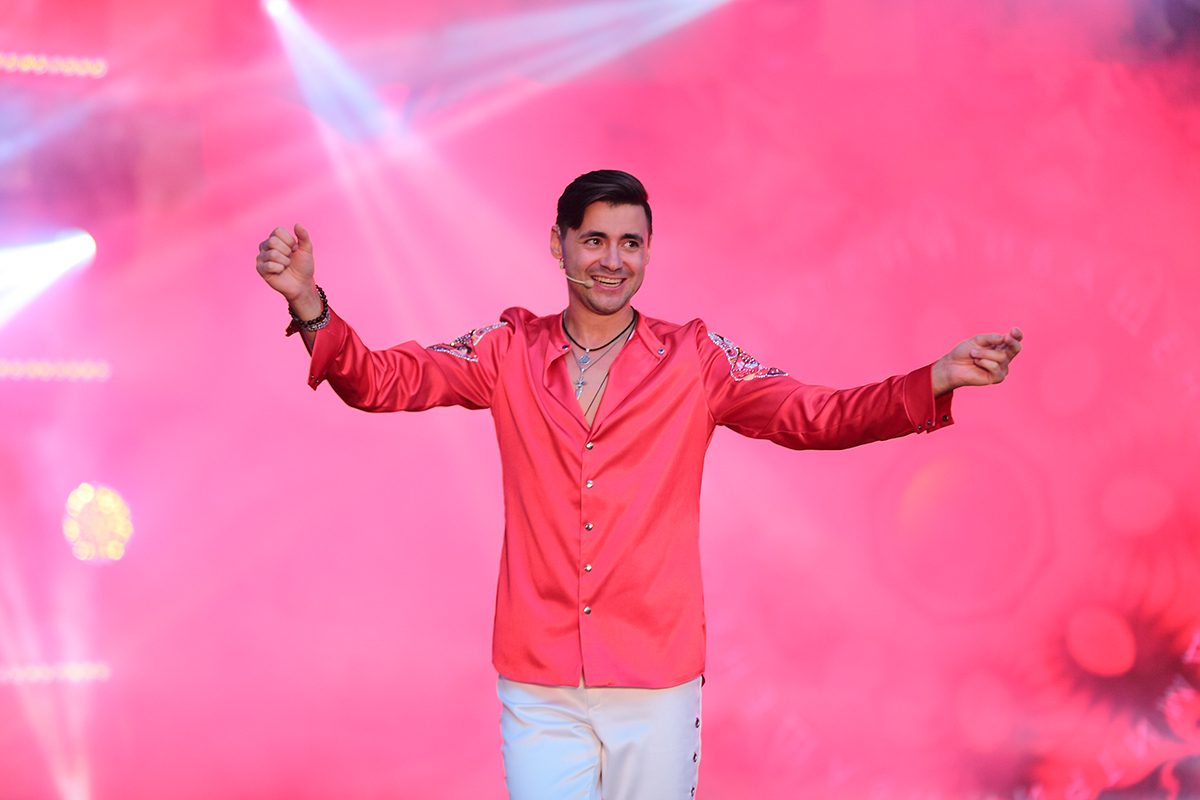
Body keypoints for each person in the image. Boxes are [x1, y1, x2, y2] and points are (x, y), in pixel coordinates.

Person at [255, 169, 1022, 800]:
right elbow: (380, 380)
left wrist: (933, 379)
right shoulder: (504, 350)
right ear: (557, 245)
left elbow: (814, 415)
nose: (612, 260)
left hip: (655, 681)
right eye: (594, 240)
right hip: (539, 680)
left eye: (630, 243)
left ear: (650, 252)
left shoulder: (697, 359)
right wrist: (309, 304)